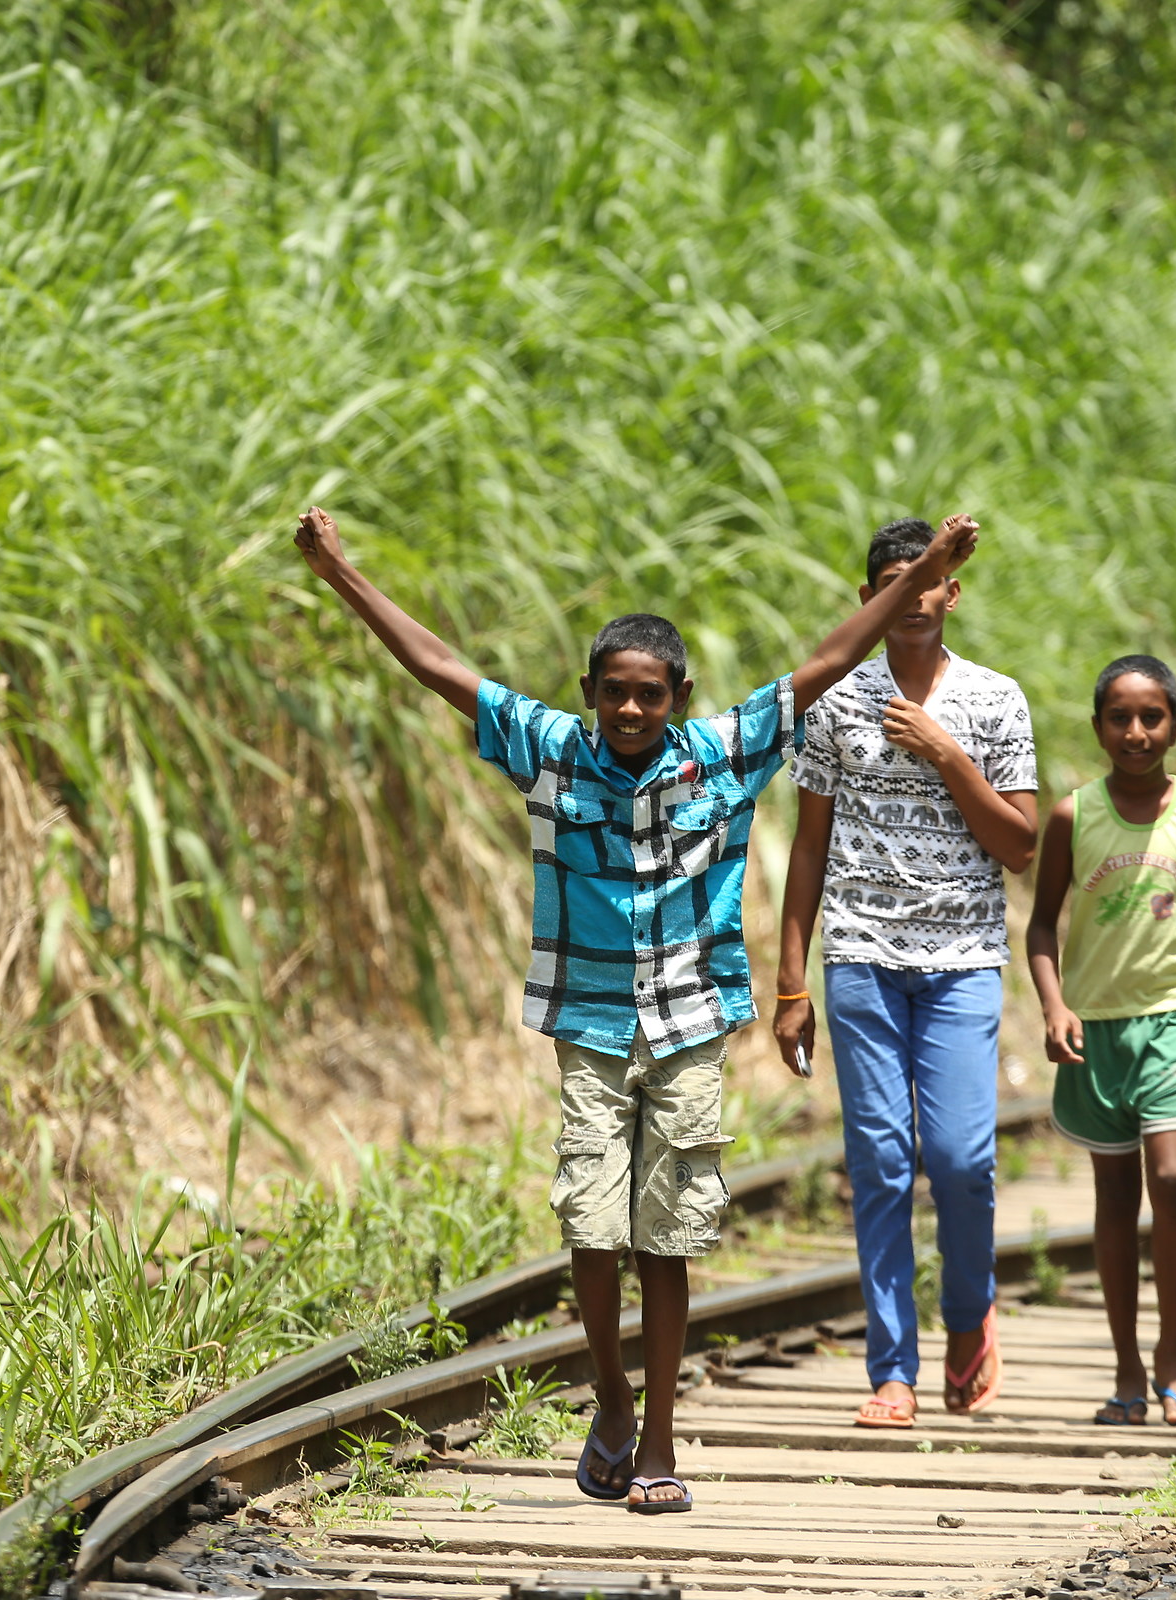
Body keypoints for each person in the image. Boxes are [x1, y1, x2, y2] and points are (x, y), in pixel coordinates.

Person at [291, 505, 981, 1510]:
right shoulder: (550, 751)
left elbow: (827, 659)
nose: (628, 711)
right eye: (612, 694)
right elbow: (437, 665)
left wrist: (922, 568)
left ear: (678, 697)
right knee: (591, 1224)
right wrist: (338, 572)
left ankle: (658, 1440)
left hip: (693, 1029)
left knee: (669, 1238)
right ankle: (610, 1395)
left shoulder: (723, 753)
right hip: (590, 1026)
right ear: (588, 694)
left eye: (647, 696)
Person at [772, 518, 1038, 1428]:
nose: (915, 593)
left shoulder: (996, 699)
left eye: (928, 578)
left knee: (961, 1160)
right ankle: (893, 1370)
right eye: (894, 579)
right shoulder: (837, 703)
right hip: (859, 955)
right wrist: (791, 982)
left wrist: (948, 756)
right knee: (881, 1162)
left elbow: (1022, 846)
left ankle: (969, 1321)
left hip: (964, 956)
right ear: (870, 599)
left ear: (952, 592)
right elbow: (808, 849)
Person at [1024, 654, 1176, 1428]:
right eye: (1120, 717)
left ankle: (1173, 1357)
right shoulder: (1071, 815)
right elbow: (1043, 923)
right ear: (1098, 729)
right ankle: (1125, 1368)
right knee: (1114, 1198)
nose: (1137, 731)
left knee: (1173, 1183)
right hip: (1096, 1028)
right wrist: (1053, 1006)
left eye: (1152, 717)